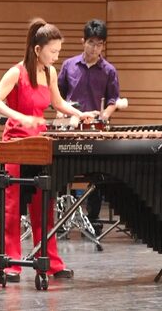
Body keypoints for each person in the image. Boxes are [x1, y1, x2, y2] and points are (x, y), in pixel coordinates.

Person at [0, 18, 95, 283]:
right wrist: (20, 117)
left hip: (40, 144)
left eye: (58, 52)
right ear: (37, 49)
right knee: (12, 208)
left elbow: (57, 102)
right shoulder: (17, 72)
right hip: (15, 144)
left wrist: (80, 114)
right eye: (53, 52)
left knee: (43, 207)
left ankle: (49, 262)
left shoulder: (50, 73)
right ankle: (9, 264)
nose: (56, 57)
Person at [57, 19, 120, 233]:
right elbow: (57, 96)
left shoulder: (109, 70)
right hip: (71, 130)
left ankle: (92, 220)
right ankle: (60, 218)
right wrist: (62, 111)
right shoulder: (68, 65)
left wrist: (103, 117)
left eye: (100, 44)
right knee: (60, 174)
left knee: (97, 175)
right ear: (82, 41)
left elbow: (113, 100)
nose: (95, 48)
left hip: (94, 131)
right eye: (91, 43)